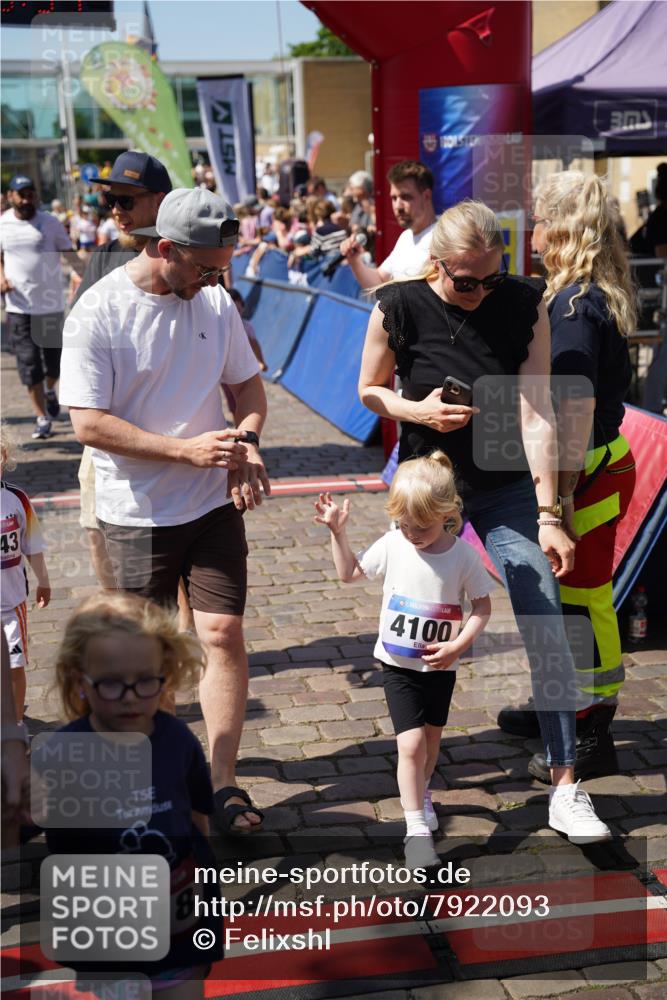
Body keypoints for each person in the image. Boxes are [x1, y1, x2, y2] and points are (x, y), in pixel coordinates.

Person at [358, 199, 612, 844]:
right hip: (430, 488)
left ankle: (564, 785)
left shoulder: (522, 301)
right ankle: (419, 784)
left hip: (504, 487)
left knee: (546, 619)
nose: (479, 291)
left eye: (490, 277)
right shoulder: (398, 302)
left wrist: (551, 512)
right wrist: (416, 412)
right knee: (413, 634)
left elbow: (535, 409)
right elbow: (370, 389)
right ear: (436, 265)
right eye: (466, 280)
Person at [59, 186, 270, 836]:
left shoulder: (213, 301)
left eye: (222, 269)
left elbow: (247, 388)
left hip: (211, 504)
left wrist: (247, 443)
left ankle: (223, 784)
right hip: (137, 512)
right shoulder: (99, 312)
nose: (215, 281)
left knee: (221, 636)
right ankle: (159, 791)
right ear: (165, 247)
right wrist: (184, 450)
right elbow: (87, 424)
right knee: (144, 661)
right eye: (205, 268)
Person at [498, 172, 637, 782]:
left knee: (581, 601)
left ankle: (591, 724)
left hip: (589, 472)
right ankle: (564, 704)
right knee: (566, 600)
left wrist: (560, 498)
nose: (535, 229)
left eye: (542, 218)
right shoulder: (577, 294)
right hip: (590, 466)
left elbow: (572, 412)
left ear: (564, 227)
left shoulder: (576, 308)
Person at [315, 452, 493, 869]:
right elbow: (350, 574)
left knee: (430, 745)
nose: (412, 533)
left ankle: (422, 791)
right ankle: (415, 829)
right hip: (397, 665)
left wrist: (457, 646)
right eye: (405, 524)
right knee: (410, 744)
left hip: (440, 666)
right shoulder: (394, 542)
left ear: (449, 514)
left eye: (422, 526)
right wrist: (337, 534)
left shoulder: (463, 557)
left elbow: (482, 607)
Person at [45, 591, 219, 995]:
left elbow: (197, 820)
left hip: (181, 937)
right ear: (79, 680)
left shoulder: (177, 739)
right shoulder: (60, 755)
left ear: (166, 672)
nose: (129, 697)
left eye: (145, 681)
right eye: (110, 684)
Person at [72, 151, 173, 594]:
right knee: (96, 527)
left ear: (161, 200)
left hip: (176, 427)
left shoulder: (189, 256)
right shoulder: (104, 257)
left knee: (181, 538)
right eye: (110, 199)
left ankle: (187, 636)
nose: (115, 210)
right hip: (108, 428)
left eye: (127, 200)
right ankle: (120, 616)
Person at [0, 175, 74, 439]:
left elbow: (69, 254)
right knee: (30, 364)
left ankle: (51, 390)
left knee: (53, 365)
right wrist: (1, 277)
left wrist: (83, 278)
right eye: (21, 194)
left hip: (51, 305)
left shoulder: (50, 223)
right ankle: (42, 417)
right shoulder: (2, 224)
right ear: (11, 196)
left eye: (30, 193)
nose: (26, 198)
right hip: (19, 307)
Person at [1, 422, 51, 729]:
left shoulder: (17, 500)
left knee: (15, 665)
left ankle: (16, 725)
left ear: (4, 457)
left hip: (11, 605)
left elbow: (32, 545)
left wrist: (43, 580)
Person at [340, 160, 436, 288]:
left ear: (427, 196)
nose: (398, 206)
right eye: (394, 198)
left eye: (406, 197)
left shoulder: (444, 238)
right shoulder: (406, 237)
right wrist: (355, 261)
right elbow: (379, 281)